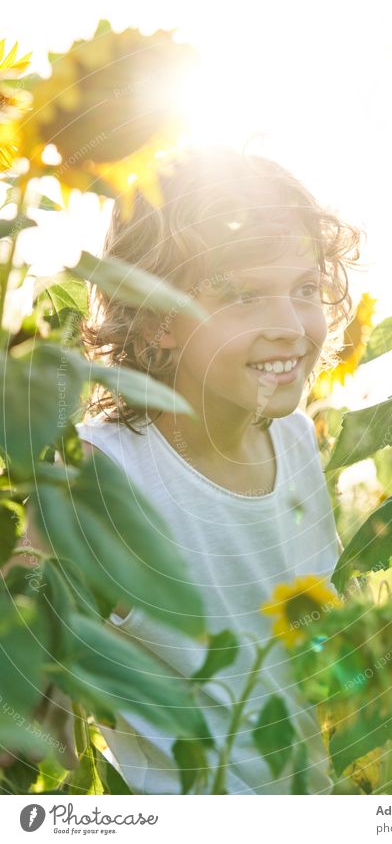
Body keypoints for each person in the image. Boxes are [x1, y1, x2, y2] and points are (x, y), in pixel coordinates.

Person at [72, 145, 359, 794]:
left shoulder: (292, 439)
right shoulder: (103, 473)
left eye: (305, 288)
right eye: (243, 295)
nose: (289, 326)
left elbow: (312, 635)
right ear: (154, 317)